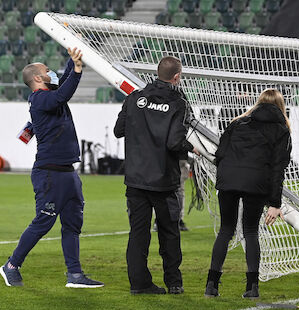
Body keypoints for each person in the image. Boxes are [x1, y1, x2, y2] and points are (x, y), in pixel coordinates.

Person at [1, 48, 104, 288]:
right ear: (37, 78)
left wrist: (74, 59)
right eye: (47, 71)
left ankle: (75, 275)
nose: (52, 73)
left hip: (68, 172)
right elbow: (62, 95)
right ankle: (11, 266)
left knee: (72, 224)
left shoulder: (50, 93)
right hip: (49, 173)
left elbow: (64, 81)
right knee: (43, 222)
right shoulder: (39, 99)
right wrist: (77, 71)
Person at [114, 56, 199, 295]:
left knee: (138, 234)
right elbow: (174, 143)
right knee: (169, 233)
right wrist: (190, 148)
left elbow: (118, 130)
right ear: (177, 77)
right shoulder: (178, 102)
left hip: (136, 179)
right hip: (163, 180)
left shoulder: (134, 98)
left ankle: (139, 284)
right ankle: (174, 282)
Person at [205, 88, 291, 299]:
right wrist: (275, 203)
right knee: (251, 231)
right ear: (281, 106)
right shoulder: (281, 130)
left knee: (226, 230)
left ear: (259, 102)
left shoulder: (238, 122)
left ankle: (211, 284)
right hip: (256, 183)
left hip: (228, 179)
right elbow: (278, 168)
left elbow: (220, 154)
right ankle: (252, 287)